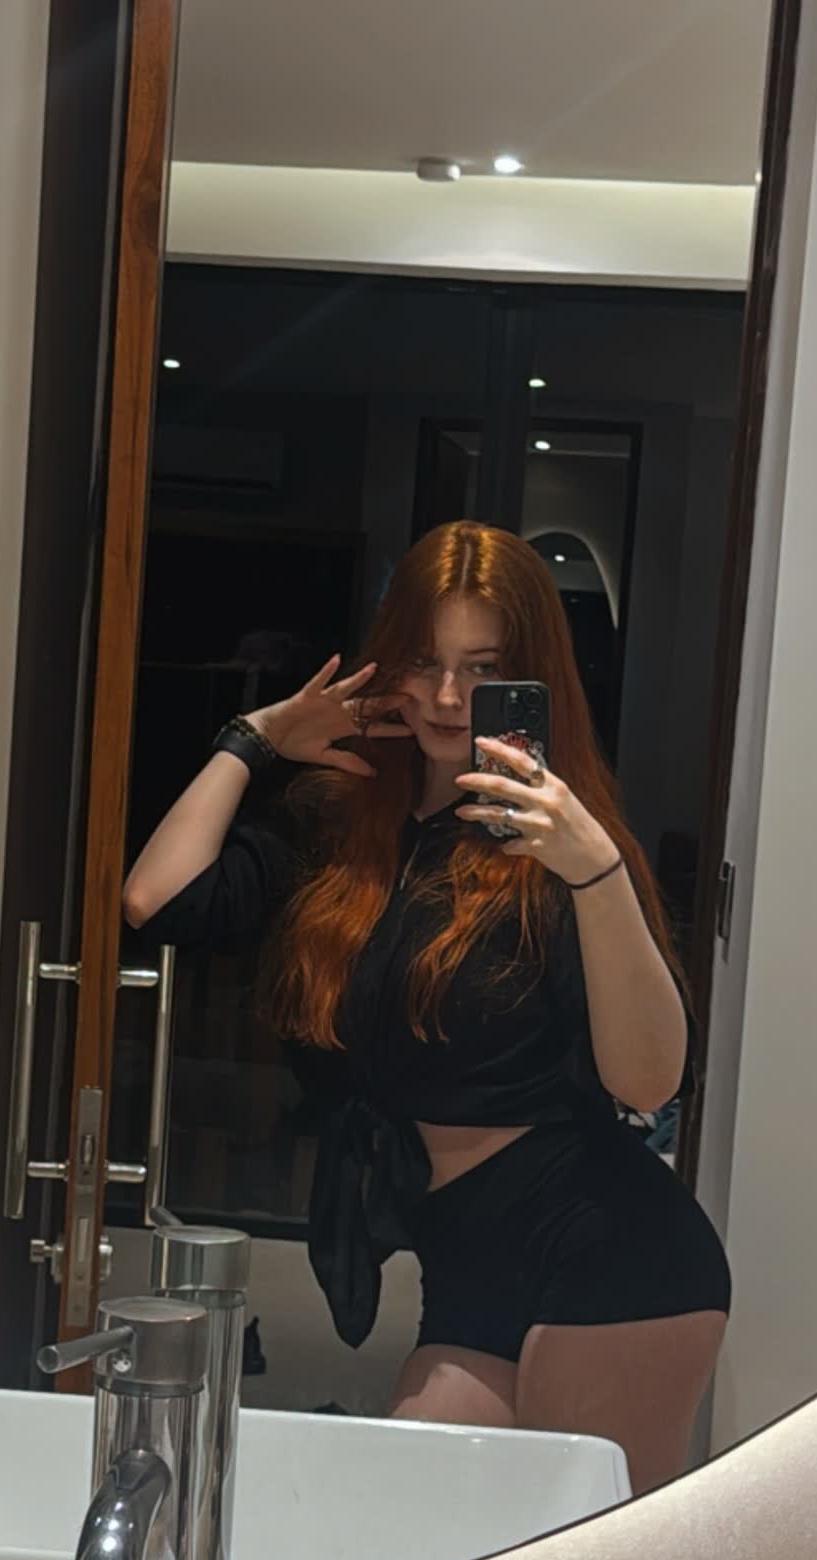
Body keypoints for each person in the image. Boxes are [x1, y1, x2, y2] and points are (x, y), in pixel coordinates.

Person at [123, 522, 731, 1492]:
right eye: (424, 661)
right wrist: (255, 740)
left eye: (482, 668)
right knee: (424, 1532)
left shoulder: (562, 845)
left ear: (529, 678)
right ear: (387, 665)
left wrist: (595, 870)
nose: (447, 697)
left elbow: (649, 1081)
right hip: (465, 1256)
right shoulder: (341, 822)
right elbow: (158, 899)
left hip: (607, 1246)